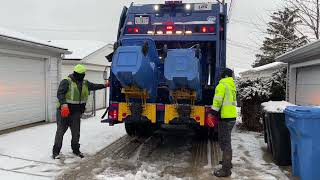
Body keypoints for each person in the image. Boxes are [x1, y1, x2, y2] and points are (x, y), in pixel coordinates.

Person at [52, 64, 110, 159]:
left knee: (76, 133)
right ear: (75, 73)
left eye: (83, 74)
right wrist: (64, 105)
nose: (82, 76)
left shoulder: (85, 83)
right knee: (60, 132)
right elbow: (60, 93)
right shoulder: (66, 82)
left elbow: (94, 86)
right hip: (64, 112)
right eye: (80, 74)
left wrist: (105, 85)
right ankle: (56, 152)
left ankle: (76, 150)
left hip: (76, 113)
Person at [210, 68, 237, 177]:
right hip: (231, 118)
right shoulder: (231, 86)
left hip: (225, 118)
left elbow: (218, 100)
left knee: (225, 143)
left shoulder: (222, 85)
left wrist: (212, 112)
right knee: (225, 141)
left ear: (225, 76)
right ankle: (227, 162)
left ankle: (225, 170)